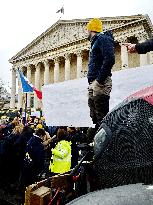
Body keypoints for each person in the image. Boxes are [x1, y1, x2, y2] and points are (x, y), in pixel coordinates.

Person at [86, 18, 115, 130]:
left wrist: (99, 80)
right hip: (93, 83)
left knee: (102, 116)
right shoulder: (95, 42)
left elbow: (110, 59)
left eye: (87, 29)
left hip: (100, 83)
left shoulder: (102, 38)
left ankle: (107, 144)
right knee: (94, 116)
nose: (86, 32)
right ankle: (98, 141)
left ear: (91, 29)